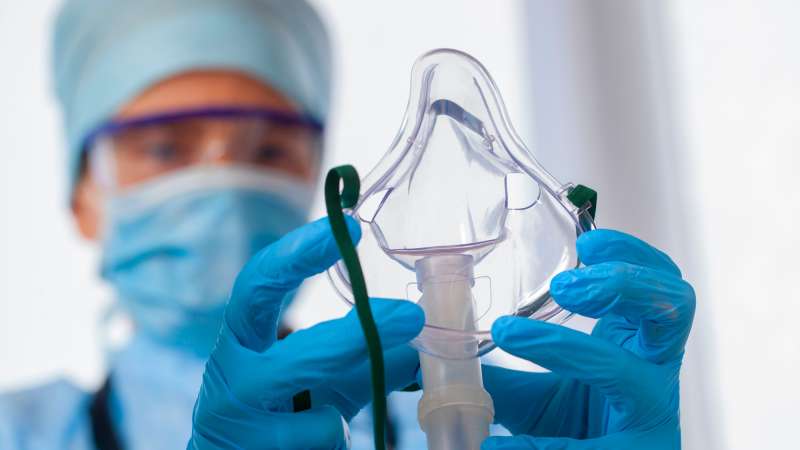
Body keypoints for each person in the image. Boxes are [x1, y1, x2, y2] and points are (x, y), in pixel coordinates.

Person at [0, 0, 695, 449]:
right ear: (82, 194)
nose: (222, 184)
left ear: (316, 182)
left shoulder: (465, 430)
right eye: (164, 147)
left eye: (269, 151)